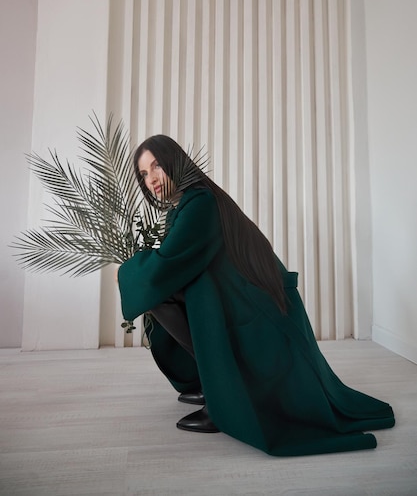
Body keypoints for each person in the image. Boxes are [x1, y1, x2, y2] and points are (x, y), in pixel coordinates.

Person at [118, 135, 395, 457]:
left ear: (175, 162)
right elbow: (178, 263)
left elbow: (169, 263)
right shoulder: (187, 205)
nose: (151, 178)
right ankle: (213, 384)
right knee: (159, 295)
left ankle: (223, 396)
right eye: (143, 174)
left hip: (253, 305)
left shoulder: (200, 203)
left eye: (156, 166)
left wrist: (125, 271)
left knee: (156, 292)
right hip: (234, 296)